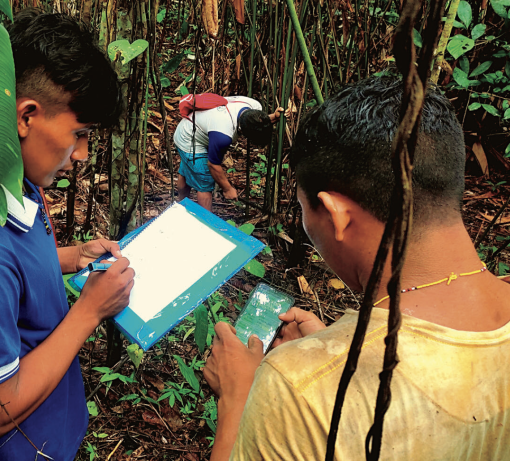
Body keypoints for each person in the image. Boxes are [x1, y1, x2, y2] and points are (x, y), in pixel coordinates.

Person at [203, 77, 510, 460]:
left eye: (302, 210)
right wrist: (330, 349)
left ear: (336, 215)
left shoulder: (296, 390)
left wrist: (239, 397)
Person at [0, 11, 135, 461]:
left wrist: (71, 256)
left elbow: (12, 268)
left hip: (49, 426)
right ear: (26, 116)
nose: (82, 155)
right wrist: (89, 311)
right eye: (79, 134)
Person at [173, 96, 283, 211]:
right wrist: (227, 188)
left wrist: (273, 117)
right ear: (241, 131)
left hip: (198, 126)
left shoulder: (253, 106)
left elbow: (258, 122)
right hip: (188, 138)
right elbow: (213, 165)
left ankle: (180, 206)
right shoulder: (223, 135)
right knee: (205, 180)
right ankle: (206, 222)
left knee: (188, 168)